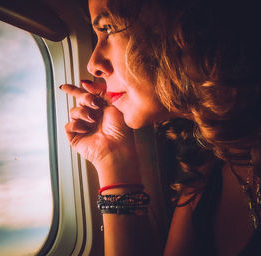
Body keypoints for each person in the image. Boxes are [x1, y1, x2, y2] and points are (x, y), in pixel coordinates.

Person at [60, 0, 261, 255]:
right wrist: (114, 159)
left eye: (108, 29)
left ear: (181, 22)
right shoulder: (205, 169)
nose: (93, 65)